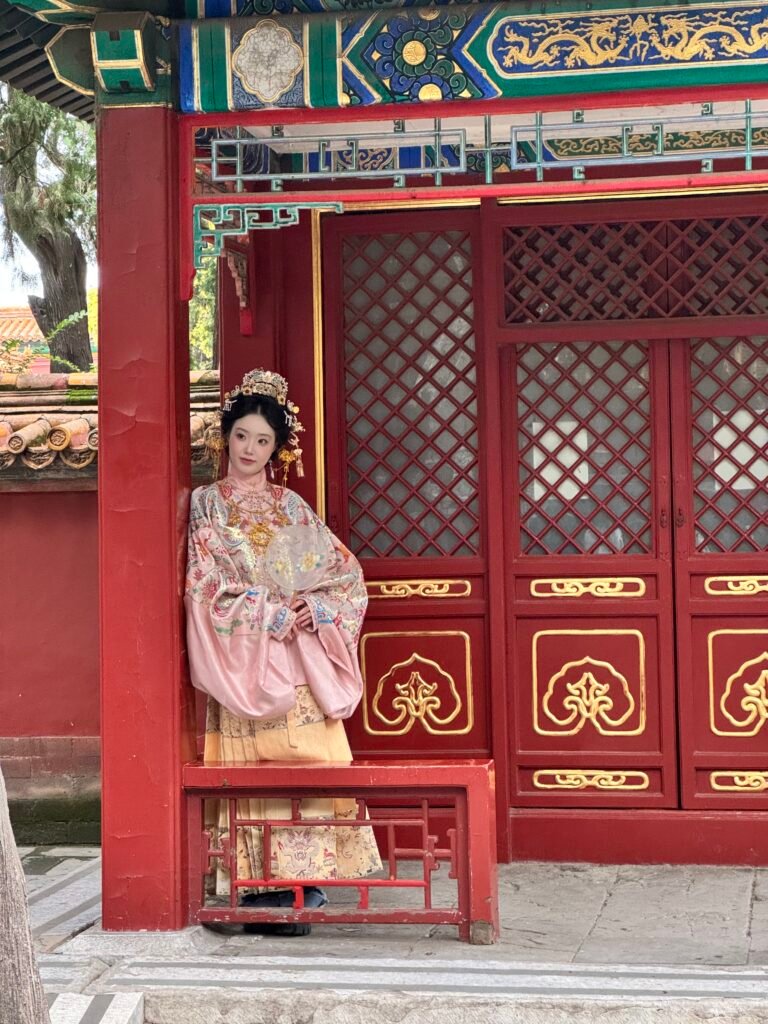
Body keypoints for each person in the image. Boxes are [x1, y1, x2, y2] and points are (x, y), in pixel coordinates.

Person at [184, 368, 381, 936]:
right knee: (253, 765)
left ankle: (305, 884)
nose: (250, 449)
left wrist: (311, 610)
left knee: (308, 761)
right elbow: (203, 582)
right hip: (247, 652)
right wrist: (261, 611)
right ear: (227, 437)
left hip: (299, 654)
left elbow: (344, 574)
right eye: (242, 435)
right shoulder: (207, 505)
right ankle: (250, 887)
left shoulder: (292, 506)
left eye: (263, 440)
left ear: (277, 448)